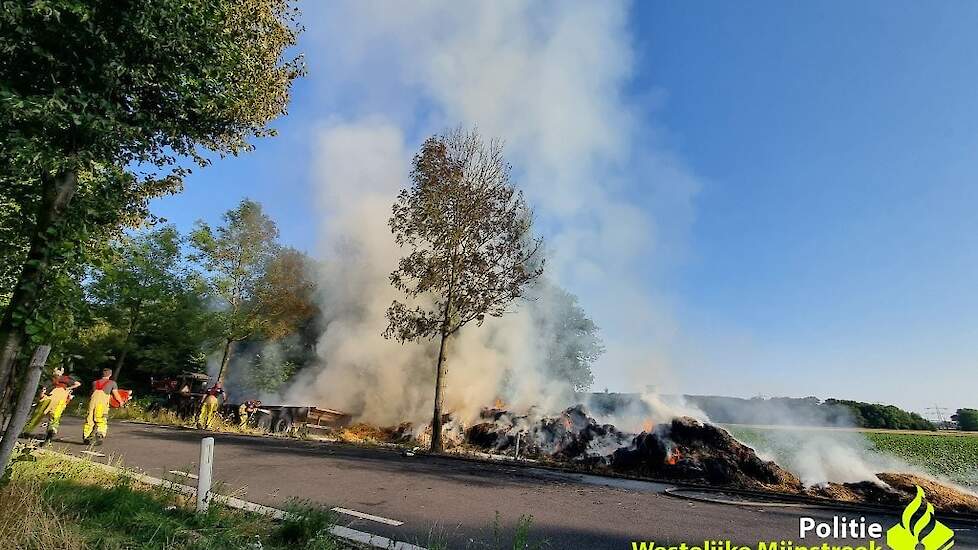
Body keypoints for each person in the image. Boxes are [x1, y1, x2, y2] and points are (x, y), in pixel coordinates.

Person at [24, 366, 81, 445]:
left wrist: (41, 396)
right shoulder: (63, 379)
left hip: (50, 396)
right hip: (61, 397)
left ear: (61, 371)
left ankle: (27, 431)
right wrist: (68, 389)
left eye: (57, 369)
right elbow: (77, 384)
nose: (55, 371)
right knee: (55, 415)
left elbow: (43, 389)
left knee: (39, 414)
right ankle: (52, 430)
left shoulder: (56, 379)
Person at [83, 368, 126, 445]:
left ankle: (86, 436)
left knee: (90, 419)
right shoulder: (112, 383)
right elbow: (116, 395)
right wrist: (121, 402)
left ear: (102, 374)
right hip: (102, 403)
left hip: (92, 402)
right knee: (101, 419)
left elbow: (91, 394)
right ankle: (100, 434)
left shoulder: (94, 383)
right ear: (110, 375)